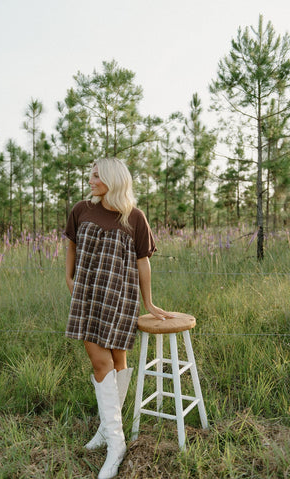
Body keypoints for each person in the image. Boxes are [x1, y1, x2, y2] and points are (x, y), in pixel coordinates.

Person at [65, 158, 174, 479]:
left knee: (118, 360)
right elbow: (70, 244)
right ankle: (116, 442)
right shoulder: (81, 209)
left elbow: (143, 263)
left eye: (97, 175)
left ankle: (107, 433)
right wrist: (69, 279)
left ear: (113, 179)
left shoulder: (135, 218)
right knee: (101, 364)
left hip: (120, 298)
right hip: (87, 296)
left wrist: (149, 303)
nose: (91, 178)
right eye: (91, 173)